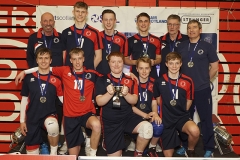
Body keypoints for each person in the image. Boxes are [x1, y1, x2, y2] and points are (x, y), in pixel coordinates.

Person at [16, 48, 102, 157]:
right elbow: (46, 67)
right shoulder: (64, 70)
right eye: (74, 59)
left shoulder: (92, 74)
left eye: (80, 58)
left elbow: (109, 78)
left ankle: (92, 156)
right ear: (70, 60)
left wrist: (130, 75)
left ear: (84, 59)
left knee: (96, 125)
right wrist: (25, 71)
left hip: (86, 113)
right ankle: (80, 137)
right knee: (73, 156)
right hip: (70, 116)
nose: (77, 62)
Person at [95, 51, 153, 157]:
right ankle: (109, 141)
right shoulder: (102, 79)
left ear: (123, 63)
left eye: (119, 62)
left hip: (128, 118)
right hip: (111, 122)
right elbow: (99, 102)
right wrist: (108, 93)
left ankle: (138, 154)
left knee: (147, 129)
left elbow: (134, 101)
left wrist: (126, 94)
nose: (116, 65)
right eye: (113, 62)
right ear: (109, 63)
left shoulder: (131, 79)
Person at [176, 20, 219, 157]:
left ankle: (209, 147)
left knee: (206, 119)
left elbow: (215, 66)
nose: (191, 30)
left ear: (200, 30)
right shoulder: (181, 46)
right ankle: (184, 145)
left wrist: (205, 81)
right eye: (189, 28)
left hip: (202, 89)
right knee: (184, 119)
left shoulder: (207, 46)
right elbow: (175, 66)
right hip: (185, 90)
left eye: (194, 27)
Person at [153, 52, 200, 157]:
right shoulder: (159, 81)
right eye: (171, 63)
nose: (174, 66)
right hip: (166, 119)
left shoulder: (188, 81)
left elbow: (189, 100)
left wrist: (182, 112)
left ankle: (190, 150)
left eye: (176, 63)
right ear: (166, 64)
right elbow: (157, 100)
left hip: (181, 117)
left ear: (181, 64)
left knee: (195, 131)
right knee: (168, 156)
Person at [19, 48, 63, 155]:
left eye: (46, 58)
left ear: (50, 60)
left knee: (53, 126)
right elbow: (24, 100)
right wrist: (22, 121)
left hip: (49, 114)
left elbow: (63, 100)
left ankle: (53, 154)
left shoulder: (57, 79)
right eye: (41, 58)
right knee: (32, 154)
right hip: (32, 117)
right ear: (37, 60)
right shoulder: (29, 78)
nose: (43, 61)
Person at [131, 57, 163, 157]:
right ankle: (136, 143)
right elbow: (130, 106)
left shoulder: (154, 82)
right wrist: (143, 115)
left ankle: (151, 147)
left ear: (150, 69)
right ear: (136, 69)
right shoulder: (132, 81)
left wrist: (155, 113)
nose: (144, 71)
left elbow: (154, 102)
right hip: (133, 115)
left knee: (158, 125)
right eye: (141, 68)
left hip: (148, 114)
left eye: (146, 68)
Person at [61, 1, 103, 69]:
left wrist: (90, 69)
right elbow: (63, 56)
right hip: (70, 74)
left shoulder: (95, 33)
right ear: (73, 12)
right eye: (77, 11)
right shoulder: (66, 32)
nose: (80, 14)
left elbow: (99, 56)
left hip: (87, 74)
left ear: (87, 14)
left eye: (83, 12)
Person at [125, 12, 161, 79]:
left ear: (149, 23)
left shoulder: (157, 40)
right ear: (137, 23)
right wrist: (137, 62)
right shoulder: (130, 40)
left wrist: (154, 62)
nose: (143, 24)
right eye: (141, 21)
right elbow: (125, 59)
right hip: (135, 75)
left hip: (152, 75)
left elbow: (159, 58)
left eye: (146, 21)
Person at [97, 9, 128, 75]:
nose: (108, 22)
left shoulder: (122, 38)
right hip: (98, 75)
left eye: (111, 20)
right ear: (102, 21)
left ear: (115, 21)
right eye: (106, 20)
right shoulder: (97, 36)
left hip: (115, 76)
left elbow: (124, 58)